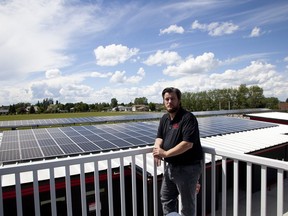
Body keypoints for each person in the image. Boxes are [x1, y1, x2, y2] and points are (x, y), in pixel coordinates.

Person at [152, 87, 203, 216]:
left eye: (172, 99)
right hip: (171, 168)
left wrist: (165, 154)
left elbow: (187, 144)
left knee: (187, 205)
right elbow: (159, 137)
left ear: (179, 100)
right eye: (166, 99)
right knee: (166, 198)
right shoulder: (164, 118)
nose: (169, 102)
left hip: (188, 168)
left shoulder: (187, 118)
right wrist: (157, 149)